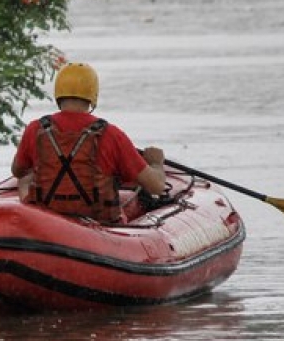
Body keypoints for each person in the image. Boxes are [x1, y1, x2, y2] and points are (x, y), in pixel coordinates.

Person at [10, 62, 167, 224]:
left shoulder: (35, 128)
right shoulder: (111, 134)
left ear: (58, 93)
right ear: (93, 95)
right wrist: (156, 163)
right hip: (99, 226)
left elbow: (18, 170)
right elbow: (156, 186)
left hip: (45, 223)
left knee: (25, 178)